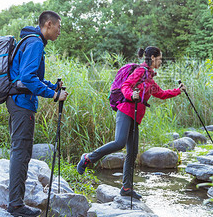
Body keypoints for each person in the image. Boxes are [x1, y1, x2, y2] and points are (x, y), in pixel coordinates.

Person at [76, 46, 185, 199]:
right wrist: (131, 95)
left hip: (135, 117)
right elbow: (125, 86)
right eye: (160, 59)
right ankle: (88, 158)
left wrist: (178, 91)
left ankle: (126, 187)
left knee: (132, 152)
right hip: (126, 111)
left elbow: (160, 94)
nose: (161, 62)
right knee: (119, 142)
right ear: (153, 58)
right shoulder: (141, 71)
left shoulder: (149, 78)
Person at [6, 10, 68, 217]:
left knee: (21, 152)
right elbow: (28, 78)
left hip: (18, 102)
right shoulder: (35, 43)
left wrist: (52, 86)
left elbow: (30, 77)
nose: (60, 31)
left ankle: (16, 201)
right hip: (22, 104)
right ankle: (15, 205)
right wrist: (53, 95)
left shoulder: (30, 41)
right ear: (48, 24)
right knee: (22, 153)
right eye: (59, 26)